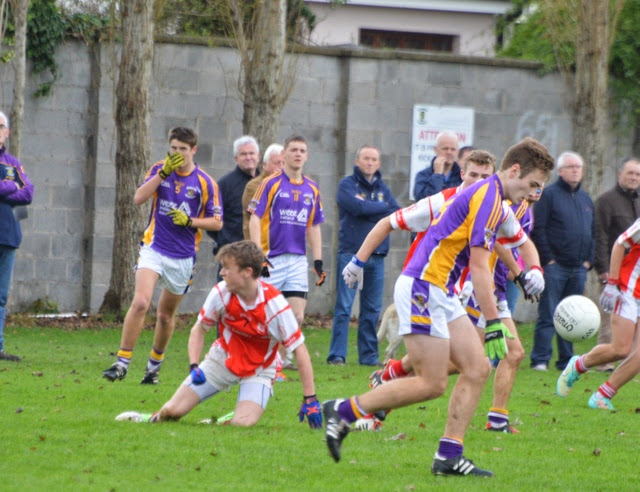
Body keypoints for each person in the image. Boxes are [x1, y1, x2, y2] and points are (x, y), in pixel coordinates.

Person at [324, 138, 554, 477]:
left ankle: (448, 457)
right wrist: (493, 322)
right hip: (424, 286)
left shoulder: (499, 202)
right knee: (432, 383)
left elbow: (520, 242)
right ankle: (345, 410)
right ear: (515, 171)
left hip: (441, 291)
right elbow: (479, 268)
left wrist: (533, 271)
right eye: (532, 185)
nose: (534, 193)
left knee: (476, 368)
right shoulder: (487, 198)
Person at [115, 241, 322, 427]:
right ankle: (147, 419)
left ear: (247, 272)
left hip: (260, 368)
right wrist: (194, 365)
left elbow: (300, 350)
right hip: (222, 359)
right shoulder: (221, 293)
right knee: (171, 412)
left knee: (243, 424)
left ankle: (225, 420)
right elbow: (199, 329)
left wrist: (310, 399)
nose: (221, 273)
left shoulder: (275, 305)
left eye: (226, 268)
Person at [102, 127, 223, 384]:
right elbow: (138, 198)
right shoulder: (160, 168)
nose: (177, 153)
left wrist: (190, 221)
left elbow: (217, 222)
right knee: (141, 302)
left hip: (183, 256)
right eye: (174, 148)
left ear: (193, 151)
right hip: (153, 248)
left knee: (166, 315)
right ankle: (122, 363)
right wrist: (162, 174)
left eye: (183, 149)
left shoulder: (205, 182)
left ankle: (153, 368)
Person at [327, 145, 400, 366]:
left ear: (378, 164)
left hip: (377, 256)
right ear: (357, 161)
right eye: (366, 158)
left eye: (374, 159)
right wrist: (380, 208)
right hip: (351, 254)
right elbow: (356, 208)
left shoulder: (383, 188)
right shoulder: (346, 185)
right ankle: (337, 356)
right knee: (344, 308)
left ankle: (368, 357)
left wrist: (371, 207)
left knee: (372, 309)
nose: (369, 162)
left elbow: (395, 211)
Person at [556, 218, 640, 410]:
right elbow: (620, 243)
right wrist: (612, 283)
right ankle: (578, 364)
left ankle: (602, 396)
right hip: (627, 288)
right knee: (621, 349)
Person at [248, 135, 325, 332]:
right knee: (262, 316)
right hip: (271, 258)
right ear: (284, 154)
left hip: (297, 260)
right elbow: (255, 218)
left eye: (302, 151)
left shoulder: (312, 188)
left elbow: (314, 226)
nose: (298, 154)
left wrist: (318, 260)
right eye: (293, 150)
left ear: (307, 156)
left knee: (296, 316)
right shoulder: (270, 183)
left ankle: (279, 360)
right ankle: (261, 358)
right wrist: (258, 255)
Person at [529, 151, 594, 371]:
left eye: (579, 167)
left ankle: (566, 359)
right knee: (549, 314)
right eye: (571, 166)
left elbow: (592, 232)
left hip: (579, 268)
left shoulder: (585, 199)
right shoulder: (549, 195)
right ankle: (540, 359)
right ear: (560, 171)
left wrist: (588, 261)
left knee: (572, 317)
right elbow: (538, 228)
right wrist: (548, 260)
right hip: (556, 267)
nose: (576, 170)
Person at [592, 157, 640, 371]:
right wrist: (604, 270)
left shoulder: (638, 200)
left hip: (635, 275)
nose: (633, 178)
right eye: (630, 173)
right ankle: (602, 364)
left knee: (630, 334)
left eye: (638, 174)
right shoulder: (606, 200)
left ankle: (625, 367)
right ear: (619, 174)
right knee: (609, 323)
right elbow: (601, 236)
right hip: (615, 272)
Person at [0, 110, 34, 362]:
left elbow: (28, 192)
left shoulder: (13, 163)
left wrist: (8, 188)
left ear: (7, 132)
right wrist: (12, 187)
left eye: (0, 126)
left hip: (8, 236)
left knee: (1, 296)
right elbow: (17, 188)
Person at [208, 135, 259, 268]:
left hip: (259, 255)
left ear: (258, 156)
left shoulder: (267, 183)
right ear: (236, 159)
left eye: (251, 153)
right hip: (232, 254)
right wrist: (226, 240)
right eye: (243, 154)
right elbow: (212, 218)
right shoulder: (225, 185)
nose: (248, 157)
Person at [241, 143, 284, 240]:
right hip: (260, 245)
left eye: (284, 163)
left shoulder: (288, 185)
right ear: (265, 165)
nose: (281, 167)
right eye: (277, 163)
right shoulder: (254, 186)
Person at [413, 130, 462, 200]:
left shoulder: (462, 177)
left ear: (457, 152)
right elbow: (424, 202)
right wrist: (437, 175)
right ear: (436, 150)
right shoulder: (423, 175)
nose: (449, 152)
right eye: (445, 149)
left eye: (453, 149)